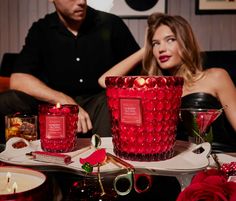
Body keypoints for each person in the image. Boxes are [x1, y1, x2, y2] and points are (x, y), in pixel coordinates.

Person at [0, 0, 140, 143]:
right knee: (8, 100)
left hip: (99, 107)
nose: (81, 1)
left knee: (111, 99)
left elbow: (139, 73)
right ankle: (11, 160)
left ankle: (105, 160)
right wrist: (65, 101)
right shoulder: (42, 29)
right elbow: (18, 79)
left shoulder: (111, 24)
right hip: (54, 109)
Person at [98, 12, 236, 151]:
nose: (161, 49)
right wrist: (145, 49)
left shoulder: (216, 77)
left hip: (218, 159)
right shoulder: (154, 88)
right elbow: (105, 81)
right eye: (156, 43)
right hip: (176, 163)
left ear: (185, 42)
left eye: (170, 40)